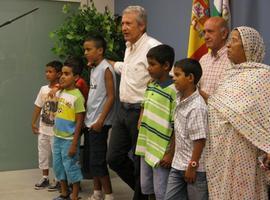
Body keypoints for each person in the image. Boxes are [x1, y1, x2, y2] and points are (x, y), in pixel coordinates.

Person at [205, 26, 270, 200]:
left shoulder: (264, 76)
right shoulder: (228, 75)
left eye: (234, 41)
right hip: (221, 152)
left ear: (248, 46)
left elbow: (266, 116)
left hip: (246, 152)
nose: (228, 46)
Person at [106, 5, 161, 200]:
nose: (123, 27)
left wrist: (147, 111)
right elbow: (127, 70)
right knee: (114, 158)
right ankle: (146, 193)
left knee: (140, 164)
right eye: (122, 23)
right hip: (123, 111)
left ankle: (142, 196)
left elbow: (164, 77)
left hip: (141, 112)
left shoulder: (153, 47)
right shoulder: (129, 47)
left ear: (142, 25)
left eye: (128, 23)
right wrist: (110, 63)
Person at [135, 44, 176, 200]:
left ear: (166, 66)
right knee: (147, 186)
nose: (148, 68)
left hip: (161, 150)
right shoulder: (151, 84)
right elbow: (144, 105)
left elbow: (176, 126)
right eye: (148, 64)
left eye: (152, 65)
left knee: (161, 190)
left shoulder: (173, 90)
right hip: (147, 145)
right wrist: (140, 121)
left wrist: (170, 153)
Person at [165, 58, 208, 200]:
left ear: (190, 78)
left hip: (195, 169)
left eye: (177, 75)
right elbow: (178, 133)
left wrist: (192, 166)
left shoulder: (197, 107)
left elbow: (200, 140)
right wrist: (171, 154)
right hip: (178, 164)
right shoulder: (178, 99)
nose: (173, 78)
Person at [83, 35, 116, 200]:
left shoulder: (106, 68)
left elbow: (111, 96)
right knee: (92, 160)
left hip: (99, 123)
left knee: (99, 160)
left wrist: (101, 120)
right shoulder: (94, 68)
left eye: (89, 49)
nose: (85, 53)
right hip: (90, 121)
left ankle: (109, 195)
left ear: (100, 50)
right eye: (85, 49)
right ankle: (97, 193)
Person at [52, 58, 85, 200]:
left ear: (76, 77)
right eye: (62, 74)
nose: (62, 76)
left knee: (71, 167)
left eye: (67, 74)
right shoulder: (61, 92)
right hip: (57, 137)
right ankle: (64, 193)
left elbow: (79, 122)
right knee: (58, 166)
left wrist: (74, 144)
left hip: (69, 139)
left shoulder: (77, 97)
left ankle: (75, 196)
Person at [31, 60, 63, 190]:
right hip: (43, 128)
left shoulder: (62, 90)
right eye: (46, 71)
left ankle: (58, 179)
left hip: (56, 131)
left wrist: (58, 87)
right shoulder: (43, 89)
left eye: (50, 71)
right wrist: (33, 122)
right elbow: (38, 106)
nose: (47, 74)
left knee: (56, 156)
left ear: (58, 73)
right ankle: (45, 178)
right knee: (43, 154)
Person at [199, 16, 230, 101]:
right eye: (204, 32)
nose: (205, 37)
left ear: (224, 34)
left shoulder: (233, 59)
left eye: (210, 32)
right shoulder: (203, 59)